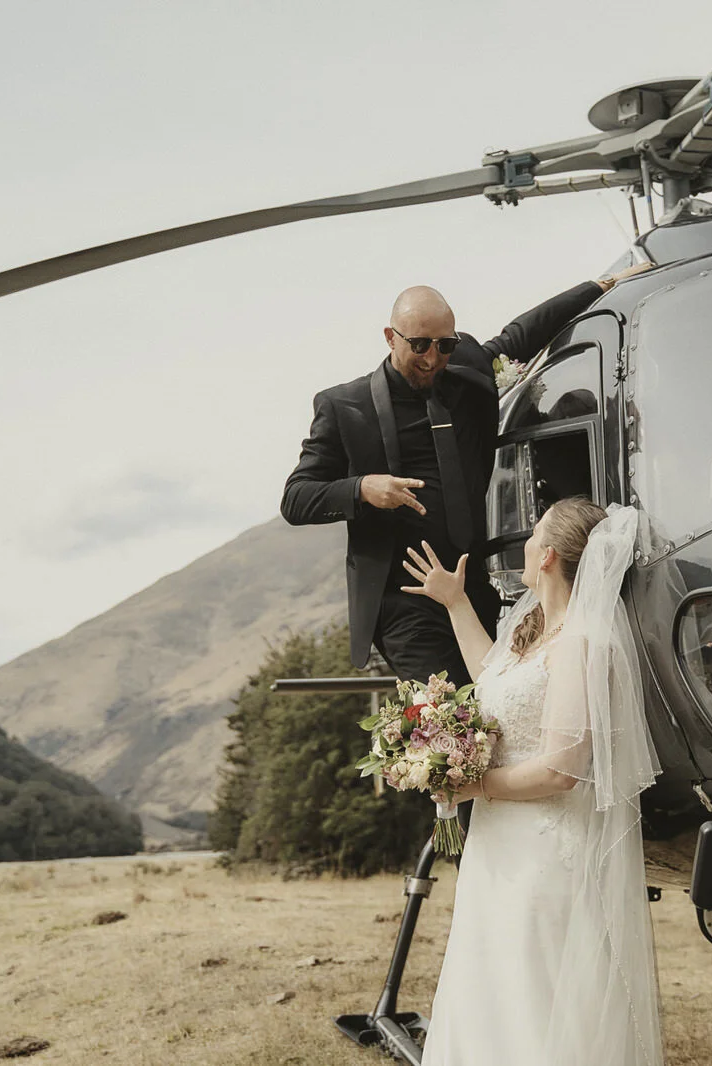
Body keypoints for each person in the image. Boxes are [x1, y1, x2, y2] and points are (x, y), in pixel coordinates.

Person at [280, 267, 651, 684]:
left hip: (472, 589)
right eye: (419, 345)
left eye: (445, 344)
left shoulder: (466, 371)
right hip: (406, 602)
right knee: (457, 716)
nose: (432, 358)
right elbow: (296, 498)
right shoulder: (344, 407)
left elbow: (520, 335)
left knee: (495, 709)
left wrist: (599, 286)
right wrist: (363, 488)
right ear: (390, 337)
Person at [399, 497, 664, 1065]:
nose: (522, 541)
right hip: (502, 845)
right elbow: (493, 680)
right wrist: (454, 602)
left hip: (544, 851)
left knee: (531, 990)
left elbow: (561, 770)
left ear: (546, 557)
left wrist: (476, 784)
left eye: (533, 533)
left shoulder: (579, 644)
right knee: (492, 983)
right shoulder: (538, 632)